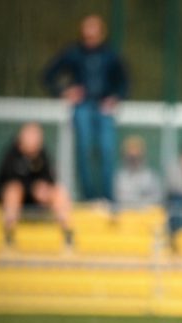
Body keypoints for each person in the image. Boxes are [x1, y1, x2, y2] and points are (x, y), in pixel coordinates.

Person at [43, 14, 128, 202]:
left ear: (102, 33)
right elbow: (48, 75)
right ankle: (88, 197)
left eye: (94, 31)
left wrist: (115, 98)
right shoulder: (73, 53)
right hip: (82, 106)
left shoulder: (110, 55)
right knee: (84, 150)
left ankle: (107, 198)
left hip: (104, 107)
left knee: (107, 151)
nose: (90, 35)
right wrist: (64, 91)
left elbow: (124, 82)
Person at [0, 122, 73, 248]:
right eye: (30, 135)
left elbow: (51, 179)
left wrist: (44, 190)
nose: (34, 140)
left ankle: (67, 233)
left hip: (38, 201)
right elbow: (5, 182)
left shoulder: (43, 155)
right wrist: (32, 189)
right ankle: (8, 235)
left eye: (36, 136)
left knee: (59, 191)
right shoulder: (11, 155)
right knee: (13, 191)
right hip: (16, 200)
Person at [113, 135, 162, 210]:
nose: (134, 160)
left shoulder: (150, 176)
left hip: (146, 215)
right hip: (126, 215)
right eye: (131, 157)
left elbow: (157, 198)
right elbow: (120, 198)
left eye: (136, 156)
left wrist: (139, 203)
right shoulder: (120, 176)